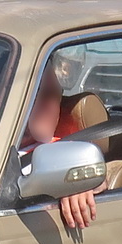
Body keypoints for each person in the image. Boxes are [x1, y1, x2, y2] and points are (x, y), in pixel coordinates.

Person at [19, 67, 101, 231]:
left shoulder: (61, 149)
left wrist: (78, 184)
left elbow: (101, 175)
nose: (52, 106)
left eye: (56, 95)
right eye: (41, 94)